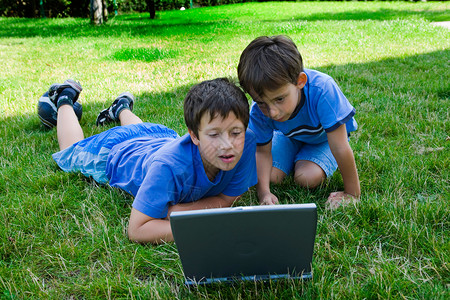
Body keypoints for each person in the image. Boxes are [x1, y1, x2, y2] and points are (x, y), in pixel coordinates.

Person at [39, 78, 257, 244]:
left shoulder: (246, 143)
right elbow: (137, 229)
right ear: (194, 135)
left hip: (157, 138)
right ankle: (64, 99)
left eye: (235, 132)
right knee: (70, 151)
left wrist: (179, 212)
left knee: (138, 131)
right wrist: (199, 227)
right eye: (214, 134)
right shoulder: (168, 167)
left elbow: (227, 199)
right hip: (117, 152)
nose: (227, 144)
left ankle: (120, 108)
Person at [237, 35, 360, 209]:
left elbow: (339, 146)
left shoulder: (323, 90)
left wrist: (351, 193)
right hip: (289, 137)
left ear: (300, 81)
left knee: (306, 178)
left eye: (279, 99)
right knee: (272, 177)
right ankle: (296, 154)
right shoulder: (258, 110)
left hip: (325, 140)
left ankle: (306, 159)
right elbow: (262, 152)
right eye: (262, 102)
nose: (272, 112)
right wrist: (264, 192)